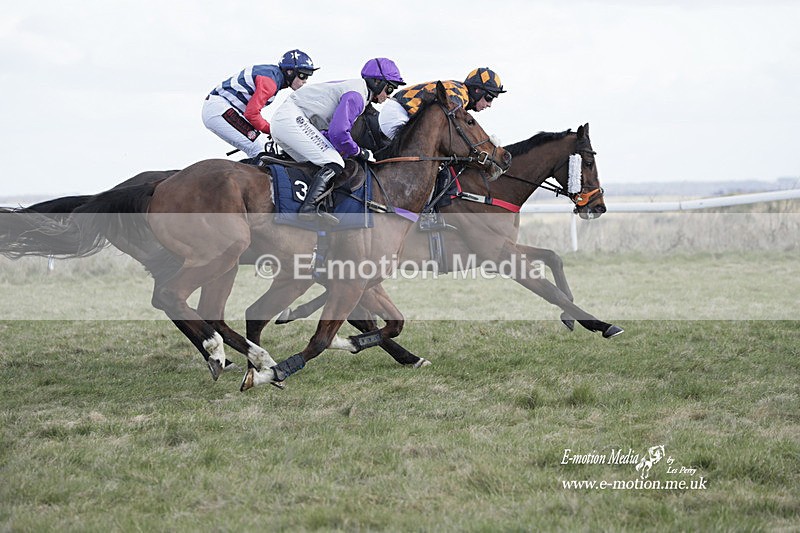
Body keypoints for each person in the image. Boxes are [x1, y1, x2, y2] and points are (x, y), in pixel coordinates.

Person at [270, 57, 406, 222]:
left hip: (288, 121)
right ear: (377, 82)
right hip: (291, 119)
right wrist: (359, 151)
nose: (388, 96)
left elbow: (329, 135)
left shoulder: (357, 90)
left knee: (318, 163)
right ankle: (309, 208)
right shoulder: (357, 96)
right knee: (334, 161)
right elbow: (338, 133)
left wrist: (348, 149)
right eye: (389, 89)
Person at [202, 49, 318, 161]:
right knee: (262, 149)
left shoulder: (272, 74)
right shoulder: (270, 82)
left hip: (221, 108)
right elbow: (252, 114)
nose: (305, 81)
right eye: (303, 75)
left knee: (264, 147)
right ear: (289, 72)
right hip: (220, 108)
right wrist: (273, 131)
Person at [378, 67, 506, 140]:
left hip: (402, 112)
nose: (489, 104)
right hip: (398, 113)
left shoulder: (460, 92)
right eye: (489, 98)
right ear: (477, 91)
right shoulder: (459, 96)